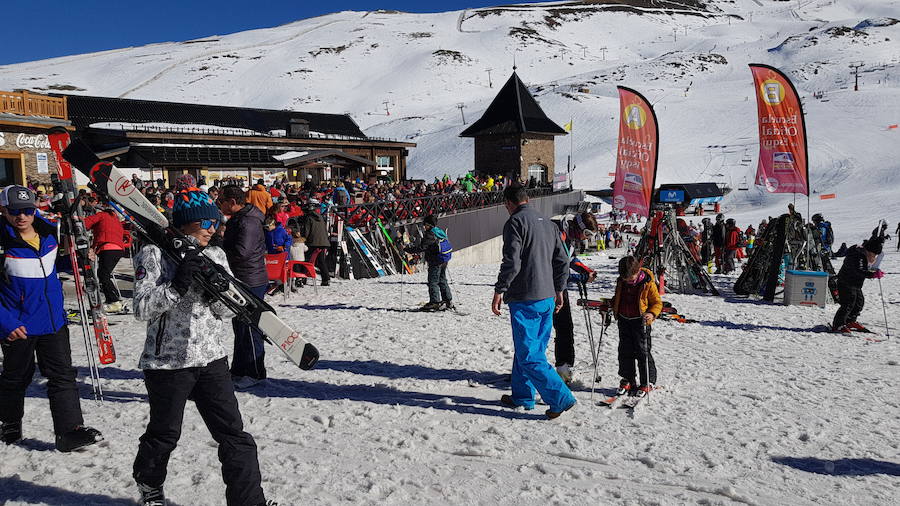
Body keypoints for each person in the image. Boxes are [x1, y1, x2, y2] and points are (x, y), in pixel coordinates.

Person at [131, 188, 272, 506]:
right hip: (167, 362)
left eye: (216, 222)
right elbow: (141, 309)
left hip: (211, 358)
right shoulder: (154, 254)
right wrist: (177, 286)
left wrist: (217, 293)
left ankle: (249, 501)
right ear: (185, 224)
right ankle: (149, 484)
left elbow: (229, 311)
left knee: (234, 435)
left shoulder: (217, 255)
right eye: (206, 222)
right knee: (164, 434)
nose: (214, 228)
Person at [0, 185, 103, 451]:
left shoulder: (48, 234)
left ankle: (69, 432)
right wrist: (6, 323)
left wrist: (79, 258)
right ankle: (9, 423)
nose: (21, 217)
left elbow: (56, 267)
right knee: (16, 377)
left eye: (26, 210)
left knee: (63, 376)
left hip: (53, 321)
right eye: (14, 212)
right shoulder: (3, 242)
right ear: (4, 210)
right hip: (19, 325)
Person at [492, 185, 576, 420]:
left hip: (525, 296)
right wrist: (559, 289)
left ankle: (560, 398)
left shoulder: (515, 223)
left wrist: (500, 289)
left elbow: (512, 262)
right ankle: (522, 395)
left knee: (529, 354)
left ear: (509, 203)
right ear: (527, 199)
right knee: (531, 349)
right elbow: (562, 260)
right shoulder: (550, 224)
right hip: (547, 296)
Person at [217, 185, 270, 389]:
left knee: (249, 327)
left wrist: (220, 245)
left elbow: (242, 251)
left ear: (232, 201)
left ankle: (254, 371)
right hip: (243, 277)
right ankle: (239, 370)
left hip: (250, 278)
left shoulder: (247, 221)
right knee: (240, 326)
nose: (219, 204)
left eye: (221, 200)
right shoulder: (241, 219)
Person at [551, 211, 598, 383]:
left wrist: (585, 270)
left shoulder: (570, 237)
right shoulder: (557, 233)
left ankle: (564, 366)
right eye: (586, 234)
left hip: (559, 289)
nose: (586, 239)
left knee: (565, 327)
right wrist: (580, 277)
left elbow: (570, 259)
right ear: (578, 227)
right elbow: (555, 270)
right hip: (546, 289)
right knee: (546, 329)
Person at [610, 256, 662, 398]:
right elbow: (617, 298)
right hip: (624, 320)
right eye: (626, 279)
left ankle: (647, 381)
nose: (629, 281)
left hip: (641, 322)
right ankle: (628, 379)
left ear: (638, 271)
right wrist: (610, 305)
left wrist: (652, 313)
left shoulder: (647, 283)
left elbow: (657, 303)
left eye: (631, 279)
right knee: (624, 351)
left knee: (642, 351)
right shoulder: (621, 282)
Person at [831, 231, 885, 333]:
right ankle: (838, 325)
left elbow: (863, 269)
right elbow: (858, 270)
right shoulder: (857, 255)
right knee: (848, 304)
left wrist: (873, 271)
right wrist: (872, 275)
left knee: (859, 303)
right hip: (846, 282)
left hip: (855, 284)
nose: (873, 258)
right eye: (873, 255)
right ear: (869, 251)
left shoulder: (863, 254)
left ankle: (850, 321)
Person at [82, 200, 127, 313]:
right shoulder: (115, 219)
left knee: (103, 275)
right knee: (104, 274)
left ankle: (114, 301)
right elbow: (103, 234)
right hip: (117, 249)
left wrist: (77, 220)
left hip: (108, 248)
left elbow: (86, 223)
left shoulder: (102, 215)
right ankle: (115, 299)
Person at [405, 214, 453, 311]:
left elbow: (422, 248)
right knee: (442, 279)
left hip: (435, 260)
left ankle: (434, 302)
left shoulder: (430, 234)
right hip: (443, 260)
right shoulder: (439, 231)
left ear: (429, 225)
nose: (424, 226)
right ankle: (447, 300)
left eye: (425, 224)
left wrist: (408, 250)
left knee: (433, 282)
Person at [300, 199, 331, 287]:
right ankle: (326, 279)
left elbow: (307, 231)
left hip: (314, 242)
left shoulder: (309, 218)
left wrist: (303, 239)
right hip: (323, 241)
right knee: (321, 261)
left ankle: (303, 278)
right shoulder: (320, 217)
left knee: (306, 259)